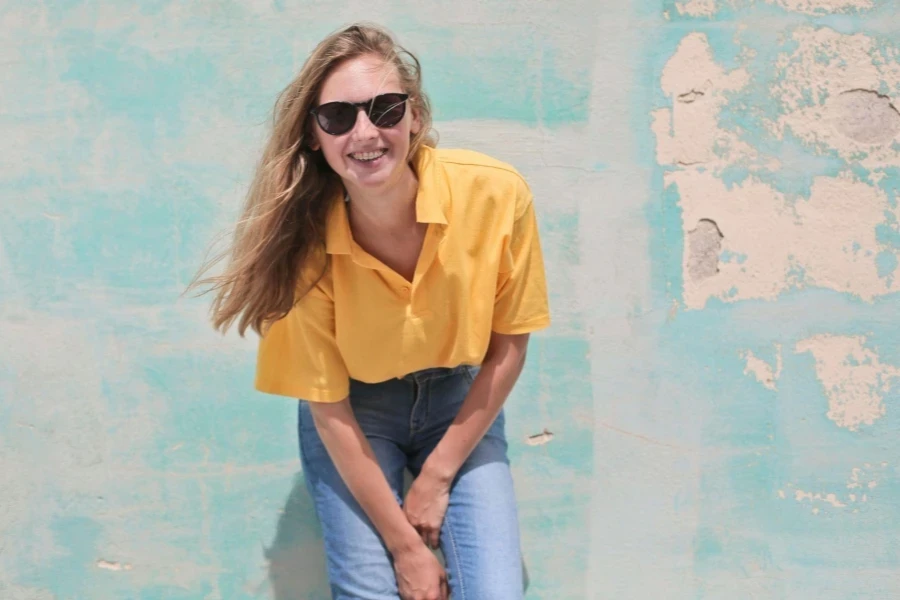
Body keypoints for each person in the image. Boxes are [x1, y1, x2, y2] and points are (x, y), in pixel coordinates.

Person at [192, 22, 550, 600]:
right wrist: (409, 549)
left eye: (385, 108)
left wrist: (436, 478)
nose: (365, 131)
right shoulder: (301, 246)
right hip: (356, 413)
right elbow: (327, 404)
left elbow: (510, 344)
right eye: (338, 116)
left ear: (415, 117)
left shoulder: (496, 194)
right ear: (313, 135)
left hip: (461, 401)